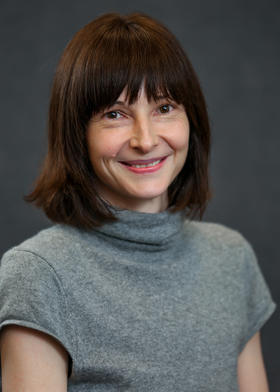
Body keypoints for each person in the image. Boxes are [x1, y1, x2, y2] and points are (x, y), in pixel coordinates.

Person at [0, 11, 276, 392]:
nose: (145, 140)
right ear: (77, 135)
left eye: (164, 108)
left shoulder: (232, 258)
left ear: (190, 118)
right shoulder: (39, 275)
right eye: (115, 114)